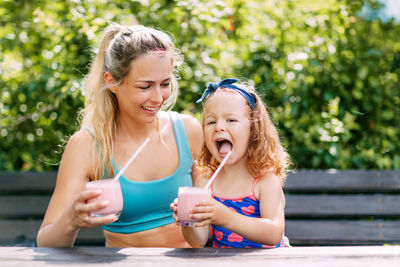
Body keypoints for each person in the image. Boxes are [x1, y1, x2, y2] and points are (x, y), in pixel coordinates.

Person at [36, 23, 203, 248]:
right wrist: (70, 220)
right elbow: (45, 241)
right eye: (145, 87)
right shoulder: (87, 146)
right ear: (111, 81)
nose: (158, 97)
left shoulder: (188, 131)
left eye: (165, 84)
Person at [171, 78, 291, 248]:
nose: (219, 127)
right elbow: (198, 241)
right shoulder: (205, 182)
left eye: (231, 120)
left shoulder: (265, 181)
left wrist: (225, 217)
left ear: (253, 130)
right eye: (211, 122)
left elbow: (274, 233)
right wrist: (187, 220)